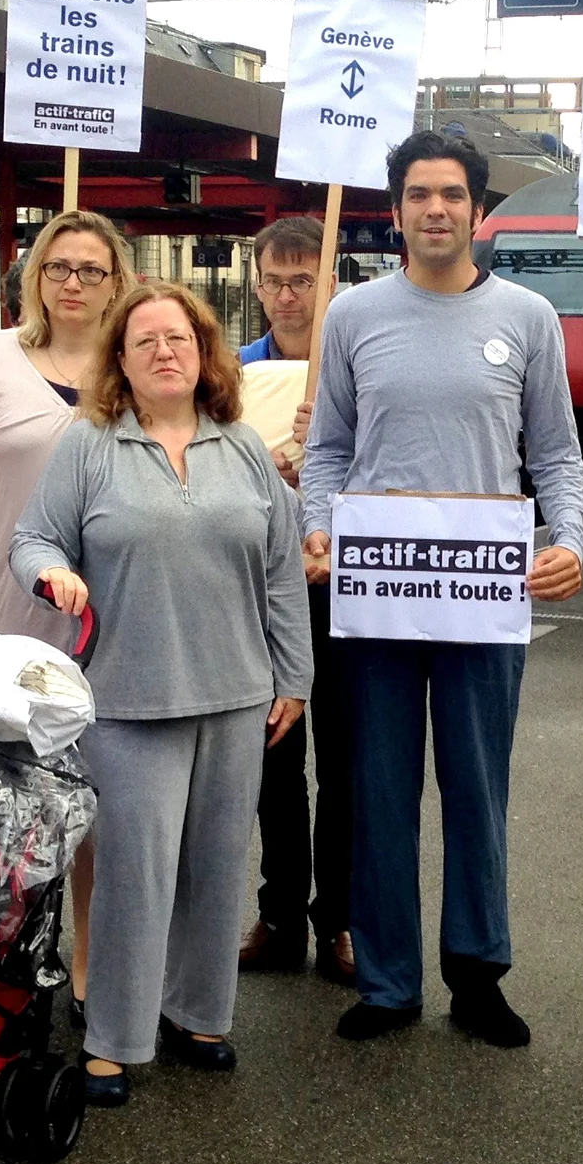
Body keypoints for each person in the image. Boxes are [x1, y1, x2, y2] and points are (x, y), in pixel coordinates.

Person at [300, 128, 583, 1048]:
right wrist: (319, 525)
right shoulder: (352, 317)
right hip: (377, 596)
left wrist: (571, 539)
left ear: (475, 209)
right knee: (379, 788)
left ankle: (477, 972)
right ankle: (387, 982)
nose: (436, 210)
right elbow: (328, 451)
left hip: (484, 593)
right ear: (396, 213)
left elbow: (553, 452)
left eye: (453, 195)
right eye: (419, 194)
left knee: (477, 786)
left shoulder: (528, 317)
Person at [12, 282, 311, 1108]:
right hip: (130, 697)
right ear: (120, 362)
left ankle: (199, 1015)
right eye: (143, 342)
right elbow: (33, 536)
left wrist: (295, 679)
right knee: (135, 875)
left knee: (217, 868)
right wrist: (50, 571)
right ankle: (114, 1038)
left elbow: (283, 570)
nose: (164, 352)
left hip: (239, 695)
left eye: (177, 338)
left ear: (204, 350)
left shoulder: (245, 448)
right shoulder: (89, 445)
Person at [0, 210, 136, 1030]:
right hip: (8, 611)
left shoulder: (136, 363)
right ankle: (7, 956)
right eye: (58, 267)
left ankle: (90, 957)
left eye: (91, 270)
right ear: (35, 278)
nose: (73, 283)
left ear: (115, 282)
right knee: (11, 800)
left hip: (115, 616)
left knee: (99, 795)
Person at [233, 215, 357, 984]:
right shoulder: (230, 374)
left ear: (329, 283)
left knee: (345, 761)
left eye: (302, 280)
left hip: (344, 593)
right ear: (257, 286)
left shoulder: (358, 368)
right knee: (272, 763)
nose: (288, 296)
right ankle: (278, 913)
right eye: (275, 281)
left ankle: (338, 917)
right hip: (263, 593)